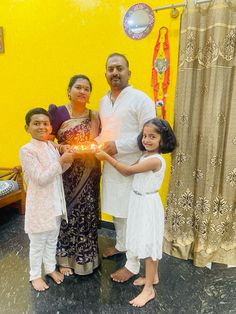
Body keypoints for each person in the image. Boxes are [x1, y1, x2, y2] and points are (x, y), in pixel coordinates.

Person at [95, 118, 177, 307]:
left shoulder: (155, 160)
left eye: (153, 137)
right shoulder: (147, 156)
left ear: (163, 140)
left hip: (148, 205)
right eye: (145, 135)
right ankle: (153, 277)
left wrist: (106, 157)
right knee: (144, 241)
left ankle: (149, 289)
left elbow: (126, 171)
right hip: (139, 202)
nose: (147, 140)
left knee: (149, 248)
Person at [96, 53, 156, 282]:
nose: (115, 73)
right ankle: (121, 244)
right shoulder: (103, 101)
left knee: (131, 215)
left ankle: (132, 264)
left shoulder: (141, 99)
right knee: (116, 210)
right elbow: (107, 131)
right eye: (110, 69)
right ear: (105, 74)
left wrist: (117, 146)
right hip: (111, 165)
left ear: (129, 72)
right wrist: (98, 143)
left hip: (132, 166)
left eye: (119, 68)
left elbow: (149, 135)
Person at [48, 74, 101, 276]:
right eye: (78, 87)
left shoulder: (95, 117)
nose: (82, 91)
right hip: (66, 174)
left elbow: (101, 140)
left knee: (87, 215)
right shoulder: (58, 113)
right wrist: (62, 148)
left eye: (86, 88)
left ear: (89, 94)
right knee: (66, 215)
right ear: (69, 91)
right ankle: (64, 260)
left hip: (90, 173)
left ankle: (87, 258)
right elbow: (46, 141)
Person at [19, 107, 75, 291]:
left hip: (56, 203)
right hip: (40, 206)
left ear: (50, 126)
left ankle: (50, 268)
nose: (42, 127)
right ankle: (34, 275)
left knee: (52, 240)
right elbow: (41, 178)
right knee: (37, 243)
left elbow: (58, 172)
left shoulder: (50, 145)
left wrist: (68, 159)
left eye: (45, 123)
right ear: (27, 127)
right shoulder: (27, 150)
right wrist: (61, 161)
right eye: (36, 123)